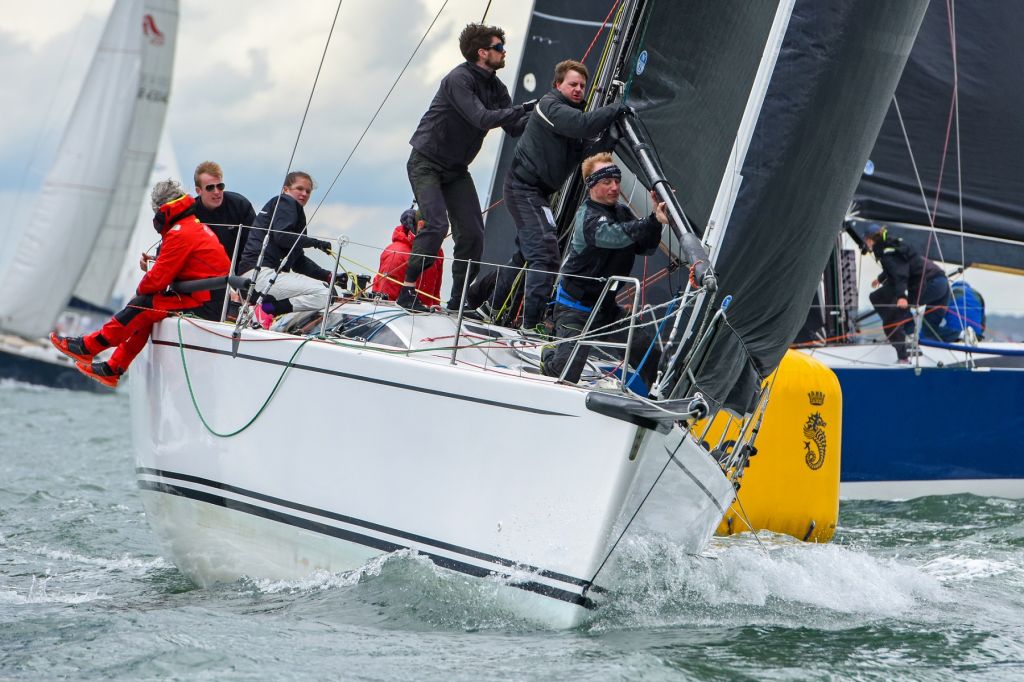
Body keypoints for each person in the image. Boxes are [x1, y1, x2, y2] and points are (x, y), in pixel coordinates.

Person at [397, 22, 534, 313]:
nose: (503, 51)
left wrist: (548, 115)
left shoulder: (497, 87)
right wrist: (523, 108)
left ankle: (457, 303)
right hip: (427, 162)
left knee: (473, 235)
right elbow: (481, 118)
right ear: (482, 52)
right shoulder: (459, 79)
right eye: (499, 47)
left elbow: (514, 127)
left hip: (456, 170)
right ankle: (406, 291)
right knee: (436, 224)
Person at [49, 180, 230, 388]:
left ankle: (88, 347)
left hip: (204, 302)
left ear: (162, 210)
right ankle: (113, 368)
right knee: (145, 310)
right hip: (206, 297)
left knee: (142, 306)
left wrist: (140, 294)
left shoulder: (180, 233)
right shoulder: (191, 226)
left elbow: (156, 281)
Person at [493, 59, 626, 333]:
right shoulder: (550, 106)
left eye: (582, 85)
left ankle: (489, 305)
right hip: (522, 188)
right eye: (572, 84)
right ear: (558, 85)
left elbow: (588, 151)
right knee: (544, 253)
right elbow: (584, 125)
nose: (578, 89)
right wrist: (618, 106)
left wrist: (611, 138)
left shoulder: (574, 116)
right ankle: (530, 326)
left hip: (538, 193)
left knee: (527, 253)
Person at [541, 153, 667, 390]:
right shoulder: (587, 217)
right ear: (591, 185)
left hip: (606, 310)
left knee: (650, 354)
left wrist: (657, 218)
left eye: (617, 181)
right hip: (575, 311)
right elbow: (614, 236)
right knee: (567, 374)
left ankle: (661, 398)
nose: (615, 187)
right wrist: (650, 221)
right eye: (606, 182)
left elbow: (646, 247)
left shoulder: (622, 213)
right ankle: (549, 354)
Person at [236, 171, 336, 322]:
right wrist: (315, 243)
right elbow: (282, 236)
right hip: (261, 273)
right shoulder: (285, 202)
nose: (304, 194)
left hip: (254, 277)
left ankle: (264, 314)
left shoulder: (289, 209)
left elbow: (297, 260)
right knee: (326, 293)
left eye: (308, 191)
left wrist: (328, 275)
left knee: (323, 291)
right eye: (299, 188)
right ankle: (266, 310)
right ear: (286, 189)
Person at [863, 223, 958, 362]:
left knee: (891, 306)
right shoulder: (894, 246)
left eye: (866, 242)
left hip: (929, 283)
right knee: (928, 331)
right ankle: (960, 335)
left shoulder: (887, 252)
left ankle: (905, 344)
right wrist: (881, 278)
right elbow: (900, 265)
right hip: (942, 283)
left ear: (870, 241)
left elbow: (900, 273)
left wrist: (902, 297)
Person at [190, 160, 256, 320]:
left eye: (220, 186)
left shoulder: (240, 206)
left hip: (239, 269)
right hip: (203, 277)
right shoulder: (189, 212)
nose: (217, 192)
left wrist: (242, 285)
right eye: (210, 187)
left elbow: (254, 246)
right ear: (199, 190)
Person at [371, 208, 443, 307]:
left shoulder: (437, 252)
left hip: (426, 317)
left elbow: (435, 297)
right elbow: (385, 303)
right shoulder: (396, 254)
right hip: (400, 317)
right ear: (421, 225)